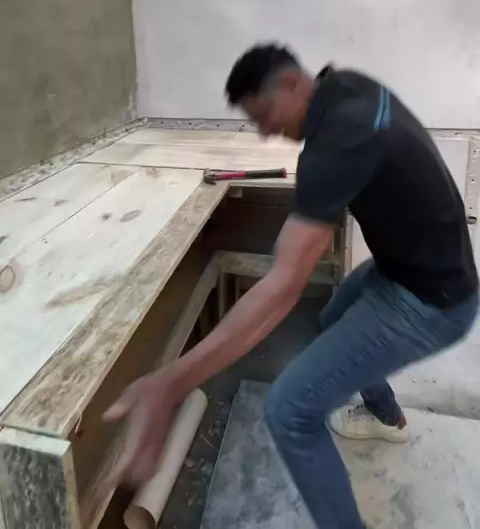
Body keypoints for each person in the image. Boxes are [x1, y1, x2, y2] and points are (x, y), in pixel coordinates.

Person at [104, 44, 478, 529]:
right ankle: (387, 418)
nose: (264, 132)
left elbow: (282, 290)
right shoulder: (349, 87)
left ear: (291, 85)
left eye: (263, 115)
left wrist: (169, 383)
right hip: (415, 269)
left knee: (290, 412)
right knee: (332, 316)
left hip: (430, 302)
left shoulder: (338, 139)